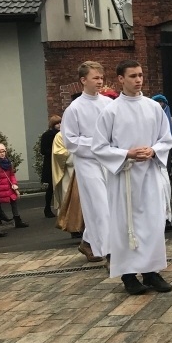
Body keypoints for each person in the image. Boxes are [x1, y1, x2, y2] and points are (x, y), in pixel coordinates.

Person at [92, 59, 172, 296]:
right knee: (125, 224)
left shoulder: (153, 107)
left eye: (140, 75)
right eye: (132, 76)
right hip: (124, 177)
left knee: (152, 223)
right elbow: (98, 146)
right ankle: (128, 275)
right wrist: (126, 153)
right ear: (120, 79)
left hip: (148, 175)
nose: (138, 80)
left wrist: (154, 150)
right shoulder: (111, 110)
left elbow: (166, 139)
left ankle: (151, 271)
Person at [62, 62, 111, 262]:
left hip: (109, 161)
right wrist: (97, 145)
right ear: (83, 80)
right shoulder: (74, 109)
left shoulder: (108, 104)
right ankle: (110, 252)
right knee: (100, 205)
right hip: (88, 162)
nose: (99, 82)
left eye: (101, 78)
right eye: (95, 78)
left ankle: (88, 241)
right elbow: (70, 141)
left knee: (111, 204)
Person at [151, 93, 172, 231]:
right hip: (153, 155)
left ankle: (168, 217)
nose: (159, 106)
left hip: (167, 154)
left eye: (161, 103)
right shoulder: (150, 119)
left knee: (166, 185)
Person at [52, 131, 84, 237]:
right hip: (69, 173)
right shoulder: (60, 135)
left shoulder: (83, 133)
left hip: (83, 171)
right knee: (71, 199)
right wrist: (76, 152)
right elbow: (59, 153)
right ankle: (72, 228)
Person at [0, 144, 28, 228]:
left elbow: (12, 175)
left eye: (3, 151)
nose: (2, 154)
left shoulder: (8, 162)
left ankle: (17, 220)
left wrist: (14, 184)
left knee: (14, 201)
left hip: (9, 187)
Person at [40, 115, 62, 218]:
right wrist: (55, 152)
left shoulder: (63, 135)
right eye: (57, 123)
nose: (59, 125)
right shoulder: (47, 135)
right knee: (51, 187)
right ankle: (47, 208)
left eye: (60, 123)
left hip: (60, 162)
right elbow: (43, 150)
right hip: (50, 163)